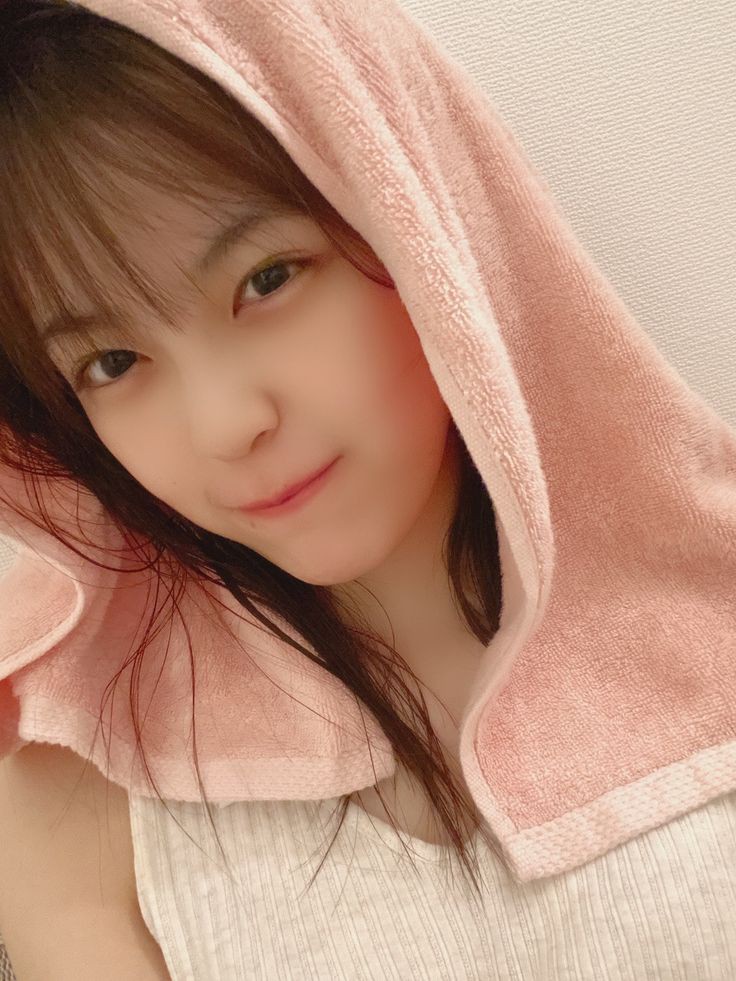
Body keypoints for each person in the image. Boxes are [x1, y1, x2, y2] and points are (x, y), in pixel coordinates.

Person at [0, 1, 734, 979]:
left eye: (268, 279)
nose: (225, 424)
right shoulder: (79, 777)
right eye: (112, 362)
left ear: (416, 221)